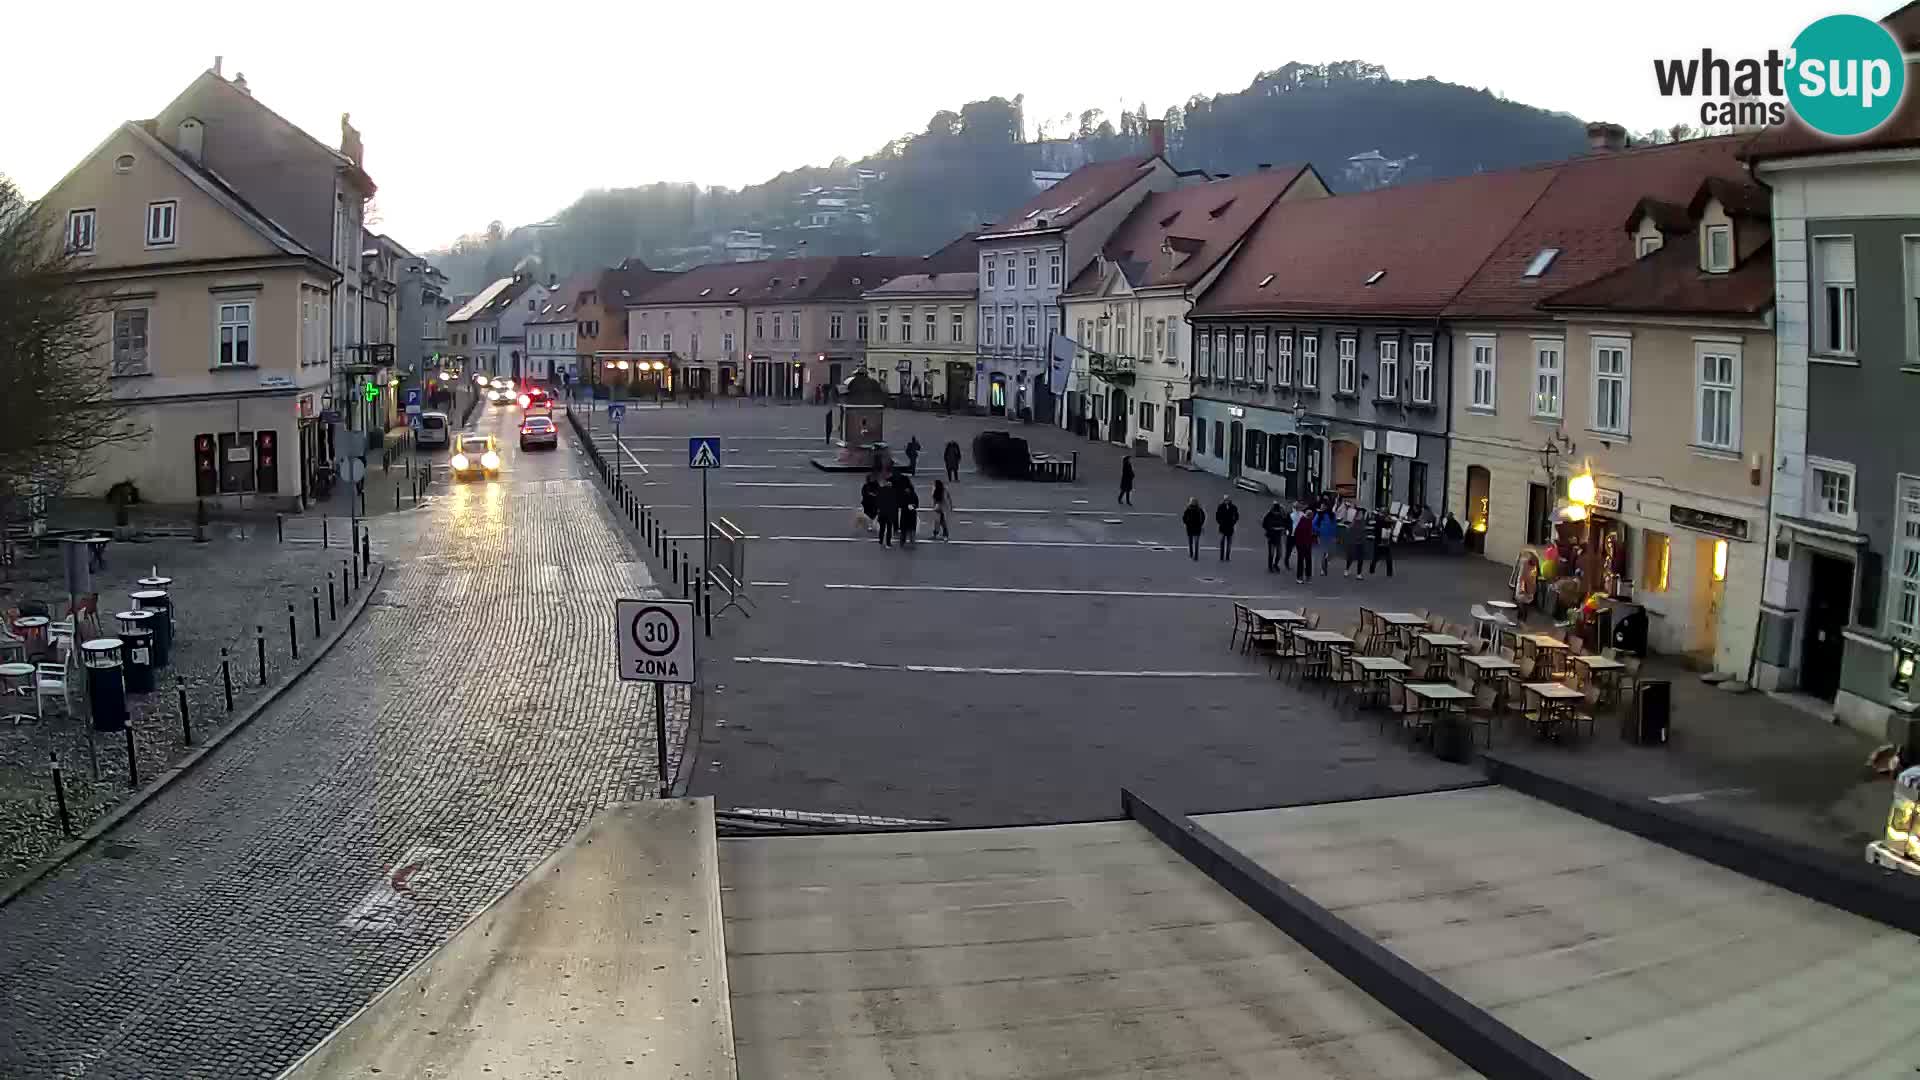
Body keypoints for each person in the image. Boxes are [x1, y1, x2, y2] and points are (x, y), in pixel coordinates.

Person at [1292, 504, 1318, 584]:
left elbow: (1309, 532)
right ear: (1309, 515)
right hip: (1302, 545)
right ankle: (1300, 577)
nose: (1312, 518)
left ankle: (1307, 577)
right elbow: (1297, 533)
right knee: (1302, 560)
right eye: (1311, 516)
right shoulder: (1303, 521)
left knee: (1308, 560)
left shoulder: (1308, 521)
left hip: (1307, 544)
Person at [1314, 500, 1339, 575]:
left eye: (1323, 506)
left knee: (1329, 553)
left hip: (1330, 536)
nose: (1321, 507)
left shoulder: (1332, 515)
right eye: (1321, 506)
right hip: (1322, 536)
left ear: (1327, 507)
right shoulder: (1319, 514)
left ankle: (1326, 563)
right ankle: (1323, 569)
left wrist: (1335, 536)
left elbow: (1334, 526)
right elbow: (1313, 524)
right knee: (1324, 552)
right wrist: (1319, 530)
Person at [1262, 502, 1289, 572]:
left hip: (1278, 537)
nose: (1277, 513)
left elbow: (1286, 522)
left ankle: (1275, 564)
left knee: (1279, 553)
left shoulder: (1281, 516)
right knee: (1271, 553)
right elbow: (1264, 524)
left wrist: (1283, 528)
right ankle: (1270, 566)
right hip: (1271, 537)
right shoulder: (1269, 515)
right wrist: (1271, 528)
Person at [1343, 508, 1369, 579]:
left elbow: (1364, 531)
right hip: (1354, 543)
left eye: (1362, 514)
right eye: (1360, 513)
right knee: (1350, 557)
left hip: (1361, 543)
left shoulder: (1363, 521)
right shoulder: (1354, 522)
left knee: (1360, 559)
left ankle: (1359, 574)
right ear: (1357, 514)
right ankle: (1347, 569)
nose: (1361, 515)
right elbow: (1349, 530)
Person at [1370, 511, 1396, 578]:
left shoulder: (1386, 522)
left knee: (1387, 558)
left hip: (1383, 542)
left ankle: (1389, 573)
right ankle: (1372, 569)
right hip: (1380, 542)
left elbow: (1391, 530)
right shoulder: (1381, 522)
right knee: (1378, 557)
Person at [896, 475, 920, 546]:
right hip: (911, 513)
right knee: (911, 528)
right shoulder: (913, 493)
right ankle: (912, 541)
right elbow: (916, 503)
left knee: (904, 529)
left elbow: (899, 503)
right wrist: (913, 506)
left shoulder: (901, 493)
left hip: (905, 513)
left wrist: (905, 506)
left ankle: (903, 541)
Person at [875, 476, 898, 547]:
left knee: (882, 528)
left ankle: (881, 540)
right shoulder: (893, 492)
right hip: (889, 513)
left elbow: (878, 501)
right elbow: (895, 503)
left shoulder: (881, 490)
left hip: (882, 513)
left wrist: (878, 510)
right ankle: (888, 542)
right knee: (889, 529)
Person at [1215, 495, 1239, 562]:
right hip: (1222, 527)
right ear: (1224, 500)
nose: (1226, 501)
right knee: (1222, 542)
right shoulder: (1220, 506)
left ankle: (1227, 557)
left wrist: (1233, 522)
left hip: (1230, 527)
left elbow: (1237, 516)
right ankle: (1221, 557)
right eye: (1225, 500)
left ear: (1230, 500)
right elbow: (1217, 515)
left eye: (1228, 500)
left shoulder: (1233, 507)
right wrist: (1220, 522)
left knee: (1229, 543)